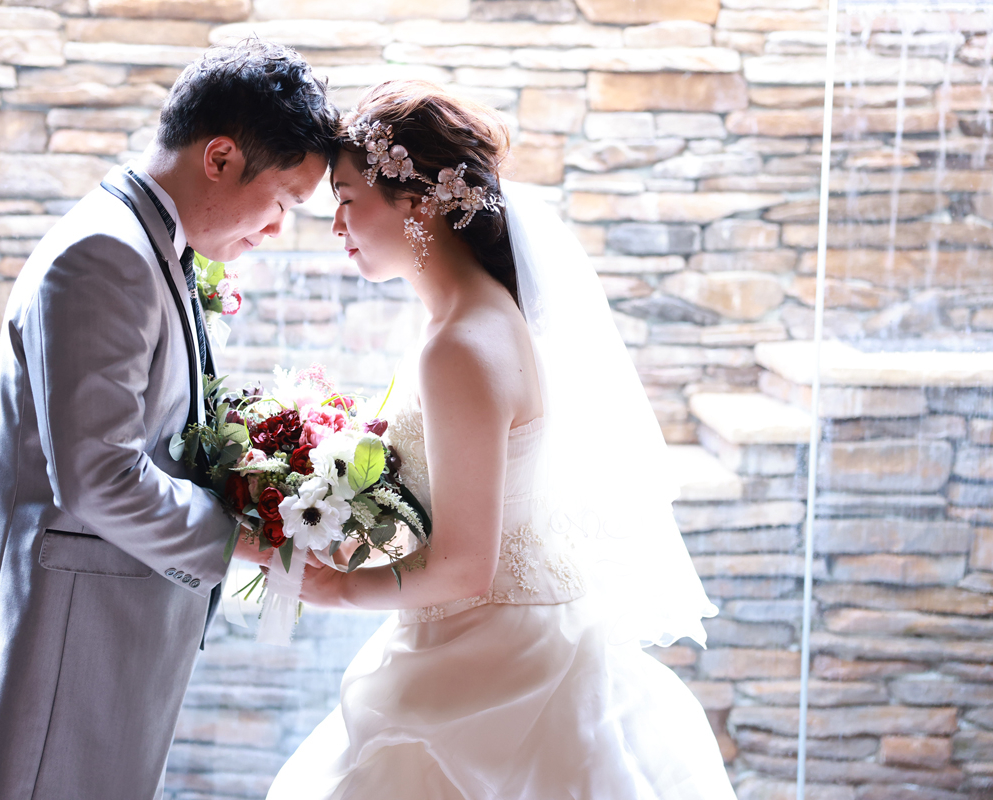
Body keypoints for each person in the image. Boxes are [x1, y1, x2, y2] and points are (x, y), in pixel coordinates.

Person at [268, 80, 738, 800]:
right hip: (496, 637)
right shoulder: (476, 319)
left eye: (348, 198)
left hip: (494, 663)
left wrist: (340, 590)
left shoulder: (459, 344)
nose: (336, 224)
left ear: (416, 201)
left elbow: (466, 568)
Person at [0, 40, 336, 800]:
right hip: (64, 656)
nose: (278, 229)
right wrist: (247, 538)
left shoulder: (149, 244)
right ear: (220, 157)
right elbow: (100, 477)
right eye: (284, 201)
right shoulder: (107, 256)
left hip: (95, 642)